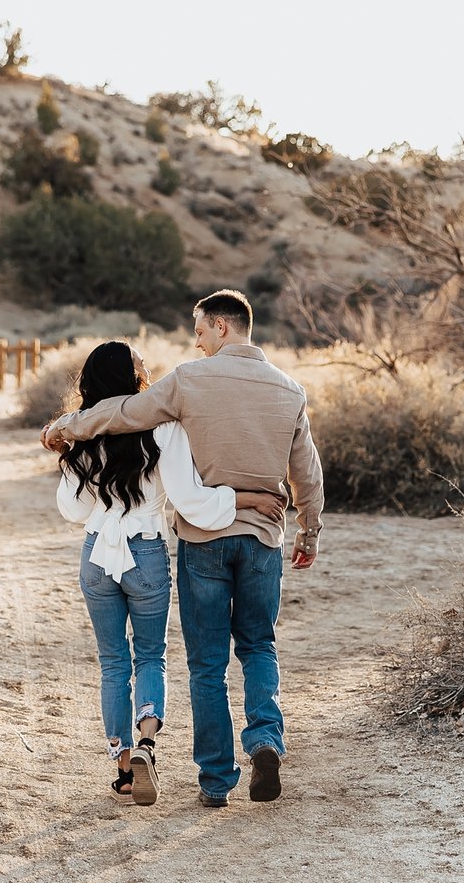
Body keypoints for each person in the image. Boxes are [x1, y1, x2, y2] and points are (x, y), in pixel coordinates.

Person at [44, 290, 324, 808]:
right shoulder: (290, 390)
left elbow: (125, 412)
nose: (195, 341)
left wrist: (67, 428)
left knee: (206, 666)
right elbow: (307, 471)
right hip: (263, 538)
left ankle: (215, 781)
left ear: (221, 326)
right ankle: (265, 740)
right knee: (259, 646)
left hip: (204, 541)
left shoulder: (188, 381)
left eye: (198, 330)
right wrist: (309, 531)